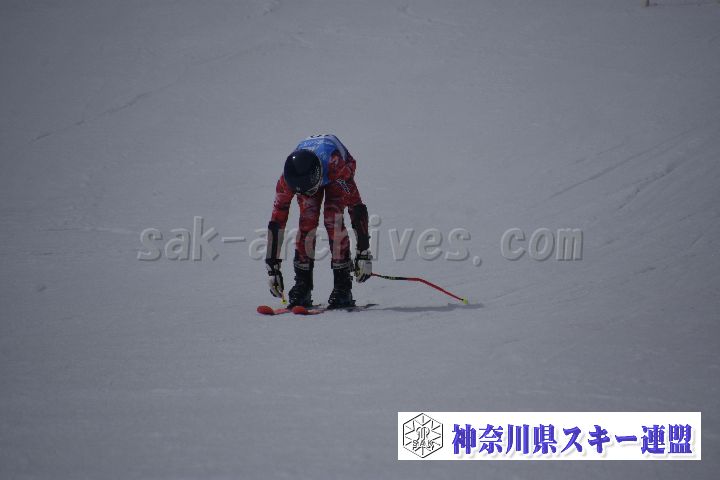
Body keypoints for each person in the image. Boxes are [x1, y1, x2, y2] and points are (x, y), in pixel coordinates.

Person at [265, 134, 372, 308]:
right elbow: (277, 221)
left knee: (333, 219)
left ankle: (342, 286)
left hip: (335, 171)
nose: (310, 195)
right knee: (307, 222)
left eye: (311, 191)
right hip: (312, 173)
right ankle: (303, 284)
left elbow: (356, 207)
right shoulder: (286, 180)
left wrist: (363, 253)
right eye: (303, 193)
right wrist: (272, 268)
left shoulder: (337, 166)